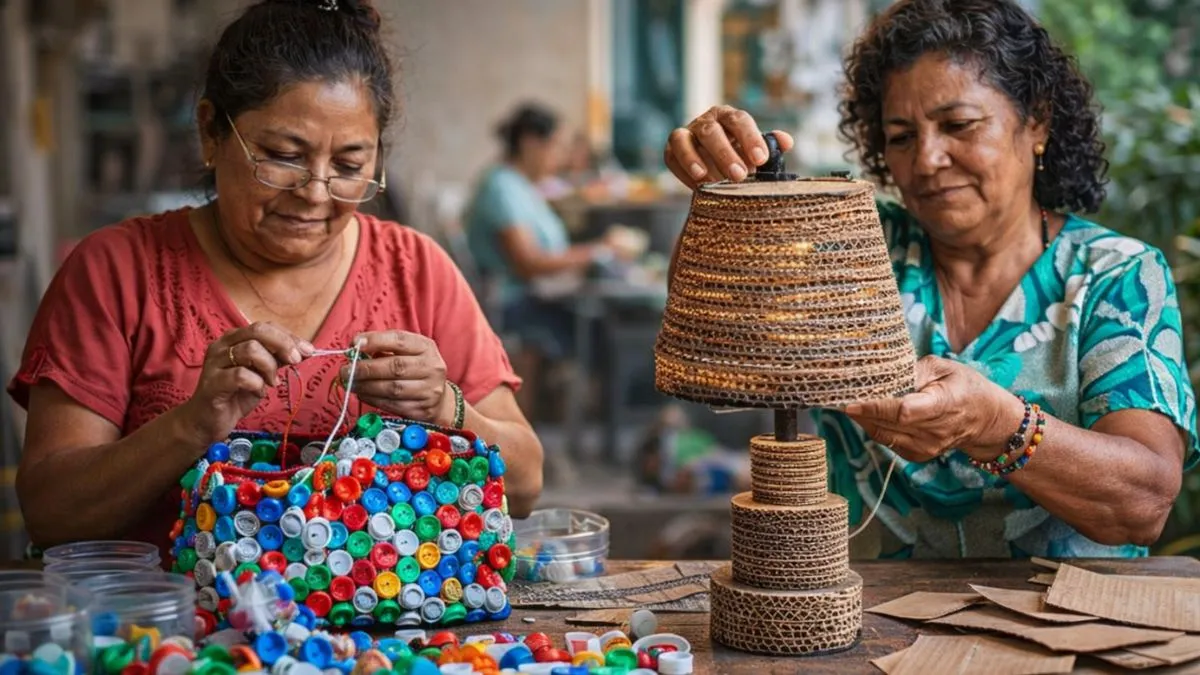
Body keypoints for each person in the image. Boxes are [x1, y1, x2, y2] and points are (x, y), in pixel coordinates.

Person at [7, 0, 543, 560]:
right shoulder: (117, 272)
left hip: (383, 611)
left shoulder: (417, 271)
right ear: (210, 132)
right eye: (284, 156)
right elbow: (51, 513)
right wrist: (192, 425)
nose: (314, 193)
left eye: (349, 166)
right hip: (168, 616)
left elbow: (527, 484)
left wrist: (447, 410)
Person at [664, 0, 1198, 558]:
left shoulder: (1114, 275)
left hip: (1062, 611)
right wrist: (726, 192)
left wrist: (996, 425)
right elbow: (716, 315)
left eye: (958, 125)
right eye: (901, 137)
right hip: (863, 609)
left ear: (1036, 121)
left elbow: (1144, 502)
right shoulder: (849, 247)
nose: (927, 159)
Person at [465, 103, 621, 415]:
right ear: (530, 143)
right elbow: (529, 263)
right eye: (556, 146)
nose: (560, 157)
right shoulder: (501, 188)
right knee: (608, 333)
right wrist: (597, 251)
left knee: (609, 324)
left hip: (533, 296)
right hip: (514, 306)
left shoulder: (521, 186)